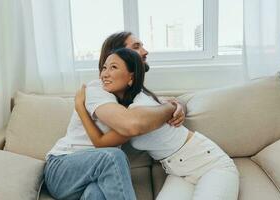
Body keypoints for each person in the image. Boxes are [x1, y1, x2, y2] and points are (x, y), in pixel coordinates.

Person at [75, 48, 240, 200]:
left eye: (113, 67)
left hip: (210, 164)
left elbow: (104, 141)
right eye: (104, 68)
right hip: (178, 173)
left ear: (131, 76)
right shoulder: (126, 110)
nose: (105, 74)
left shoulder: (138, 110)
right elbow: (102, 143)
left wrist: (80, 108)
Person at [44, 32, 185, 200]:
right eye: (136, 47)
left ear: (130, 76)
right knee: (113, 156)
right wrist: (169, 108)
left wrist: (176, 105)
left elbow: (166, 104)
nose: (145, 51)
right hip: (63, 168)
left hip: (90, 178)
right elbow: (132, 125)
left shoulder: (133, 98)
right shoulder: (97, 90)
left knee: (97, 194)